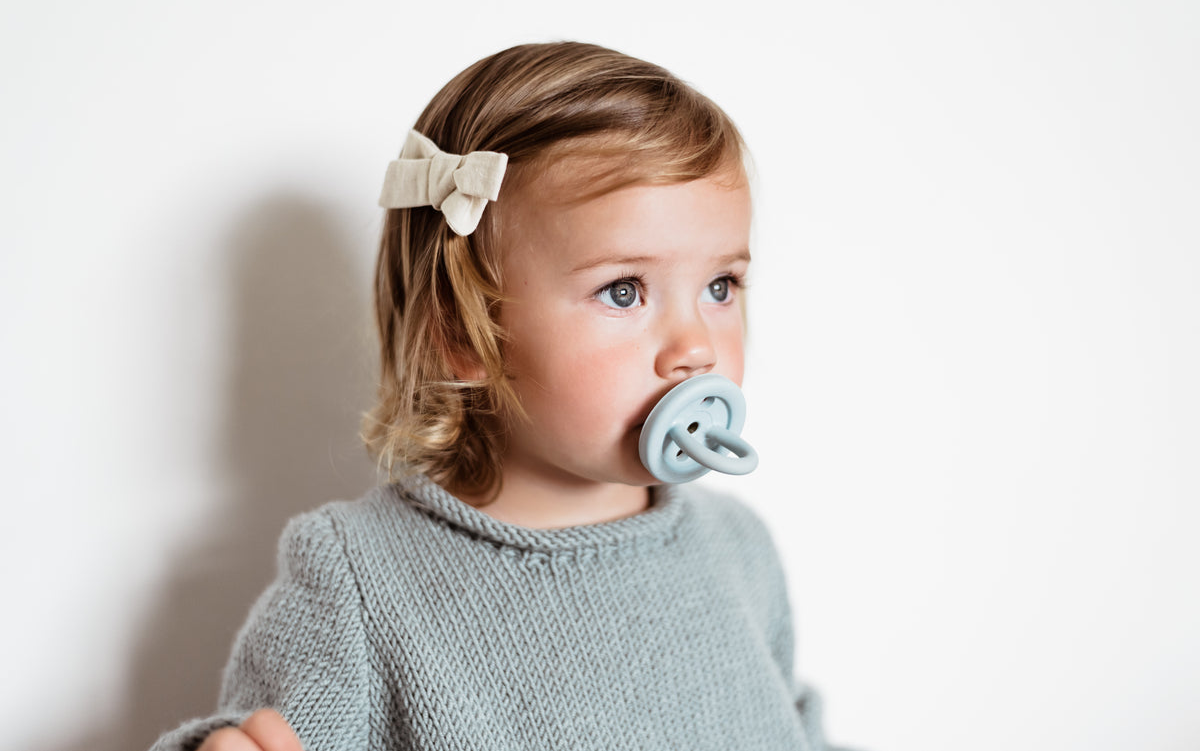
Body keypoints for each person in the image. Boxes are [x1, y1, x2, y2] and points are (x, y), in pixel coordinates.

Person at [150, 41, 845, 751]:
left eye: (720, 286)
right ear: (465, 333)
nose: (695, 346)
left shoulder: (737, 551)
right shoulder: (357, 583)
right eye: (624, 291)